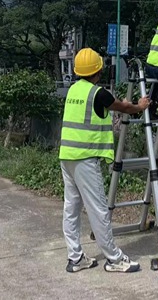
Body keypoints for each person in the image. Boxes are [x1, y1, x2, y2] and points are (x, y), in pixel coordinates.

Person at [59, 47, 150, 273]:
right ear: (98, 71)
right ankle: (114, 259)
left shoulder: (73, 90)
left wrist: (125, 103)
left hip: (67, 156)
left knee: (71, 209)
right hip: (85, 159)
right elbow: (123, 107)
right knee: (98, 209)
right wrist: (140, 105)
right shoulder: (98, 93)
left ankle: (76, 257)